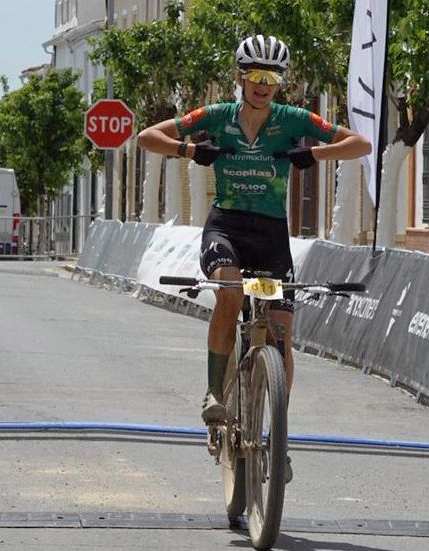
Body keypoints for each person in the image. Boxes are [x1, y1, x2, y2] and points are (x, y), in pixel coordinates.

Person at [137, 34, 371, 434]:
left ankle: (277, 435)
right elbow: (148, 137)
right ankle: (214, 392)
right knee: (230, 294)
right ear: (240, 78)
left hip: (270, 235)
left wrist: (313, 153)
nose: (264, 85)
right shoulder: (217, 115)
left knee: (281, 333)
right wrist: (190, 151)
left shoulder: (293, 119)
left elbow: (360, 144)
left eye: (272, 77)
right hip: (226, 228)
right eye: (256, 76)